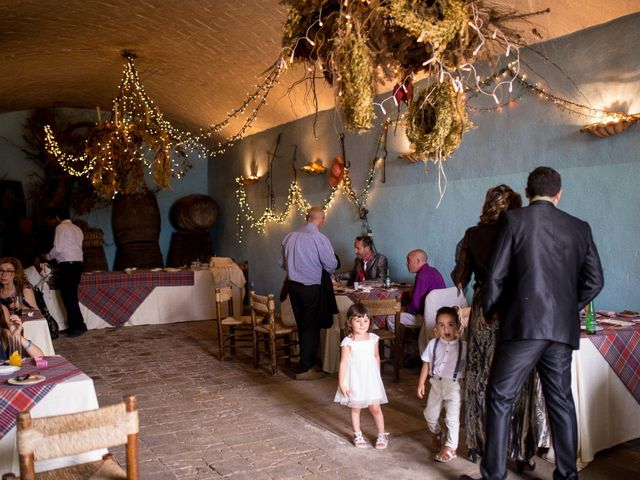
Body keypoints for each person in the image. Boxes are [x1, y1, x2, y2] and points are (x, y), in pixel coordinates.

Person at [460, 167, 604, 480]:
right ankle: (567, 475)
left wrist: (489, 309)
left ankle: (494, 475)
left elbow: (496, 276)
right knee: (561, 401)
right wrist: (567, 308)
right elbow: (595, 281)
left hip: (523, 325)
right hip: (561, 329)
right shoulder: (580, 227)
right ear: (559, 193)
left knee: (500, 397)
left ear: (526, 193)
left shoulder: (515, 220)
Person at [452, 185, 550, 468]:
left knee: (481, 377)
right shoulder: (521, 232)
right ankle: (519, 449)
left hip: (485, 308)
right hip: (517, 308)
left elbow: (460, 277)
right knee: (517, 379)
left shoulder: (472, 235)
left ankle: (477, 442)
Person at [280, 206, 338, 380]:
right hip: (310, 287)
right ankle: (305, 368)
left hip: (293, 286)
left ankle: (307, 362)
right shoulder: (319, 238)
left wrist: (296, 269)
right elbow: (331, 264)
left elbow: (282, 263)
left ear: (307, 218)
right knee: (311, 326)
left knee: (302, 324)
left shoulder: (289, 237)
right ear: (322, 220)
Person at [335, 303, 389, 449]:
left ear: (370, 322)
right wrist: (341, 383)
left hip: (370, 378)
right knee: (356, 407)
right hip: (355, 379)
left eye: (365, 320)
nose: (362, 324)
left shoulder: (373, 338)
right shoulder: (348, 342)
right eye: (357, 321)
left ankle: (382, 434)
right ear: (349, 322)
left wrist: (377, 376)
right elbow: (343, 363)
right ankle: (357, 433)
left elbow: (376, 357)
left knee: (375, 408)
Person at [417, 306, 466, 463]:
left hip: (455, 386)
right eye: (442, 325)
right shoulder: (433, 344)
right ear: (436, 327)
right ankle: (437, 432)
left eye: (451, 324)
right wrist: (421, 383)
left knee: (452, 419)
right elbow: (426, 363)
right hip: (436, 384)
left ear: (458, 326)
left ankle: (451, 447)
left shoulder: (464, 347)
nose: (446, 328)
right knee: (430, 415)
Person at [44, 206, 87, 337]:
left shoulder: (60, 227)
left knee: (68, 297)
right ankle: (79, 324)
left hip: (67, 266)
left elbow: (58, 249)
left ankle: (76, 327)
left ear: (57, 217)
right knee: (72, 296)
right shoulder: (78, 228)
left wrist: (47, 256)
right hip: (78, 264)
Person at [388, 249, 445, 332]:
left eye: (408, 260)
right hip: (440, 314)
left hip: (428, 318)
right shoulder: (433, 271)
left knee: (390, 317)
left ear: (418, 261)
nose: (406, 263)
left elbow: (416, 306)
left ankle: (398, 343)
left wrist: (404, 309)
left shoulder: (422, 277)